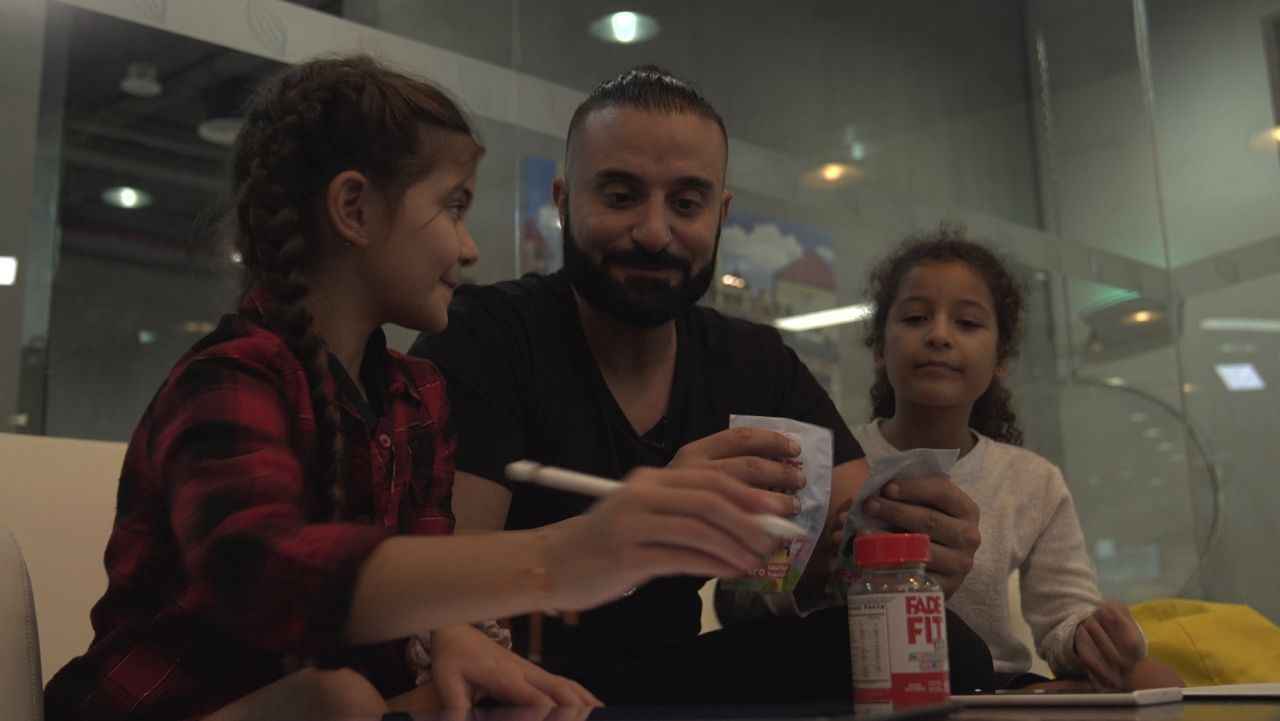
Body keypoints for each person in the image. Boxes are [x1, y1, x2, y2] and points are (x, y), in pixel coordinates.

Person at [42, 55, 798, 721]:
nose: (470, 246)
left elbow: (424, 603)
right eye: (454, 208)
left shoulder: (418, 396)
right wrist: (568, 555)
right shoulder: (231, 377)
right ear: (355, 210)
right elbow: (269, 575)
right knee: (334, 699)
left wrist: (459, 647)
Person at [412, 66, 991, 704]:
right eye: (621, 196)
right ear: (563, 202)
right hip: (518, 682)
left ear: (720, 215)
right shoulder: (487, 337)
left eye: (686, 204)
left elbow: (842, 543)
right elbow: (447, 574)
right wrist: (640, 524)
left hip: (677, 684)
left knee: (956, 653)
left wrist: (910, 550)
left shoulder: (753, 361)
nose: (656, 232)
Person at [851, 226, 1183, 690]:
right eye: (914, 318)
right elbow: (758, 596)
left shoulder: (1032, 479)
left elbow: (1064, 617)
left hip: (992, 685)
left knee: (1152, 678)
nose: (939, 335)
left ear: (1002, 358)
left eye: (967, 323)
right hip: (858, 678)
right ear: (878, 350)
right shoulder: (839, 456)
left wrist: (1095, 636)